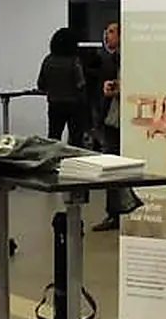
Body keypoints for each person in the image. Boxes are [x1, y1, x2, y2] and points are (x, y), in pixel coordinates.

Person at [87, 21, 123, 232]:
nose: (106, 35)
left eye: (111, 31)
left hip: (119, 119)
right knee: (112, 165)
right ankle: (114, 213)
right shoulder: (106, 59)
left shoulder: (120, 59)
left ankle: (118, 212)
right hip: (110, 119)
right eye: (106, 31)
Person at [38, 27, 89, 146]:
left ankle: (52, 162)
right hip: (75, 105)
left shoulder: (48, 60)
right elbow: (81, 84)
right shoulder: (74, 61)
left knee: (53, 138)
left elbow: (41, 84)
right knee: (76, 140)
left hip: (55, 104)